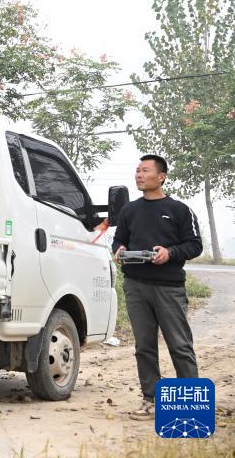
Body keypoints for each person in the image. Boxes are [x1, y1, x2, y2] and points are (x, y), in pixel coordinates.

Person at [112, 154, 202, 420]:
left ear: (161, 177)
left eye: (145, 171)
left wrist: (170, 253)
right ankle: (150, 401)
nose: (139, 175)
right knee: (144, 347)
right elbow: (119, 240)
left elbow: (194, 245)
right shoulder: (129, 210)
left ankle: (189, 407)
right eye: (137, 170)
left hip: (168, 287)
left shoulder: (180, 210)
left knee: (180, 345)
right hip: (135, 286)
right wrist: (120, 250)